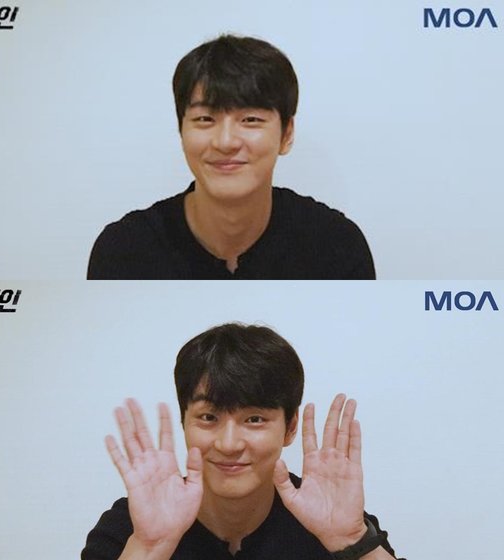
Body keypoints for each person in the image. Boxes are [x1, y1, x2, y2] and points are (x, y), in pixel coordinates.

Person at [81, 323, 403, 559]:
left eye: (254, 419)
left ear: (290, 428)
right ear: (184, 422)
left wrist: (351, 540)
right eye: (209, 417)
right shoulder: (133, 525)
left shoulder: (334, 518)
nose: (229, 444)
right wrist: (149, 548)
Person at [87, 35, 375, 279]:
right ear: (181, 130)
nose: (225, 142)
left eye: (250, 119)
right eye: (205, 119)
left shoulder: (336, 245)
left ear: (287, 134)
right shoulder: (124, 250)